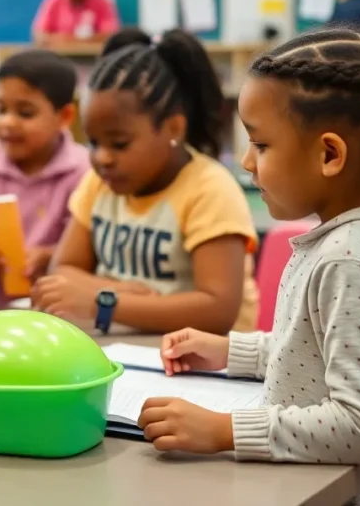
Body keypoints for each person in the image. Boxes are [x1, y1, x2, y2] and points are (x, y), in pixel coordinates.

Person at [140, 27, 360, 506]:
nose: (245, 161)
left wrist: (223, 430)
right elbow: (321, 352)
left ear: (330, 154)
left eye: (260, 145)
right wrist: (230, 352)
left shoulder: (350, 262)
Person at [32, 30, 258, 334]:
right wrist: (121, 292)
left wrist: (105, 302)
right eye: (93, 143)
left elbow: (216, 310)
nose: (103, 158)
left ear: (173, 128)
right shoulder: (99, 183)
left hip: (200, 368)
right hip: (123, 352)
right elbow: (62, 271)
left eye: (120, 143)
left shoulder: (209, 189)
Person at [0, 50, 89, 310]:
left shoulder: (83, 172)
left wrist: (50, 255)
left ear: (64, 117)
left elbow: (91, 253)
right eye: (0, 109)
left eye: (25, 113)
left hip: (56, 316)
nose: (8, 122)